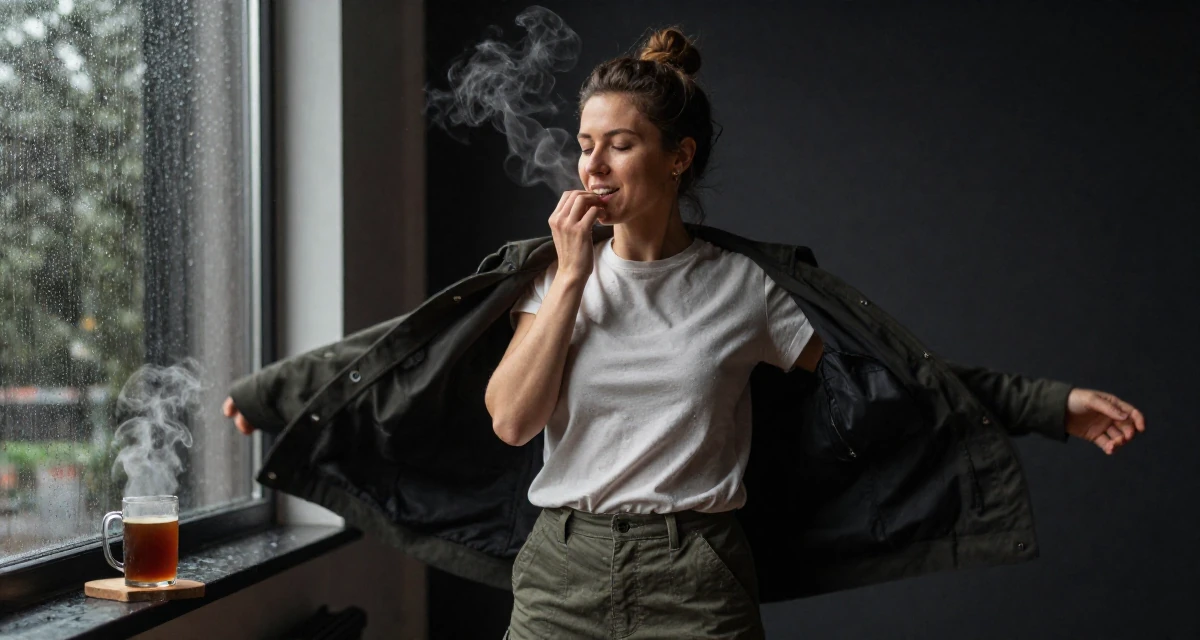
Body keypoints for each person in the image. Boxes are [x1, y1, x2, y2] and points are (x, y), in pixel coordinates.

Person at [224, 27, 1146, 640]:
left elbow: (897, 379)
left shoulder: (747, 287)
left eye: (618, 143)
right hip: (561, 574)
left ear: (677, 156)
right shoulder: (549, 272)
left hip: (698, 579)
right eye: (584, 144)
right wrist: (576, 278)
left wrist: (1047, 405)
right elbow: (505, 417)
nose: (592, 162)